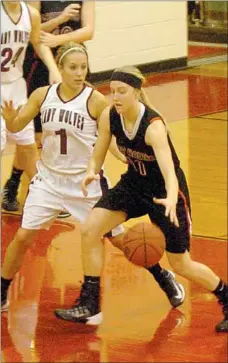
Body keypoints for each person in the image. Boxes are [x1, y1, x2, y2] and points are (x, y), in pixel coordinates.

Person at [1, 44, 185, 322]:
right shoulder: (42, 95)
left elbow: (108, 136)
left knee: (123, 241)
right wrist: (8, 119)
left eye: (83, 67)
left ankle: (163, 276)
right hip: (49, 180)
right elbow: (17, 127)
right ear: (60, 69)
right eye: (73, 68)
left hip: (85, 183)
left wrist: (122, 155)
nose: (79, 73)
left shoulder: (96, 101)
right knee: (23, 236)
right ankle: (3, 291)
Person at [53, 66, 228, 333]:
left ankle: (225, 296)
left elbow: (170, 171)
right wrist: (90, 171)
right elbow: (99, 150)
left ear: (136, 92)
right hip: (134, 185)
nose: (116, 98)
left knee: (181, 264)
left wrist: (170, 198)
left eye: (122, 92)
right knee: (91, 229)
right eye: (112, 92)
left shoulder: (153, 127)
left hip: (163, 194)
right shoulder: (111, 116)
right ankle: (90, 304)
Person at [2, 0, 95, 218]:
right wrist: (59, 20)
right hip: (23, 75)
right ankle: (23, 188)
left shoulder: (30, 14)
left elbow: (86, 31)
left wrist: (55, 57)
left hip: (32, 80)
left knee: (32, 143)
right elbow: (37, 36)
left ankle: (43, 194)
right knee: (29, 137)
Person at [1, 0, 61, 212]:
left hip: (16, 87)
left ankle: (42, 196)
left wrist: (53, 69)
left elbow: (38, 42)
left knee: (27, 145)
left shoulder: (31, 14)